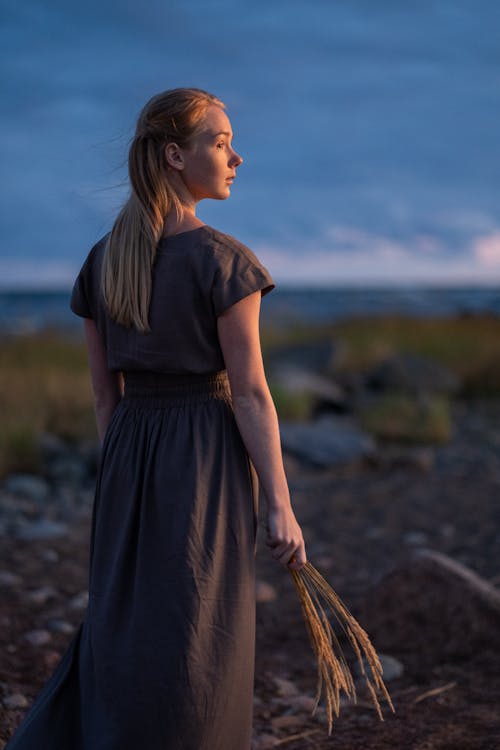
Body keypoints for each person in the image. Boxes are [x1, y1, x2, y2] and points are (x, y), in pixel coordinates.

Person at [5, 87, 306, 750]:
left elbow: (103, 399)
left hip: (129, 453)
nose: (236, 157)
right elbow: (251, 394)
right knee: (202, 625)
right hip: (204, 452)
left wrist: (123, 479)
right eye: (220, 142)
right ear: (175, 155)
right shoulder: (224, 261)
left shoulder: (103, 259)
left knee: (128, 624)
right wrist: (280, 504)